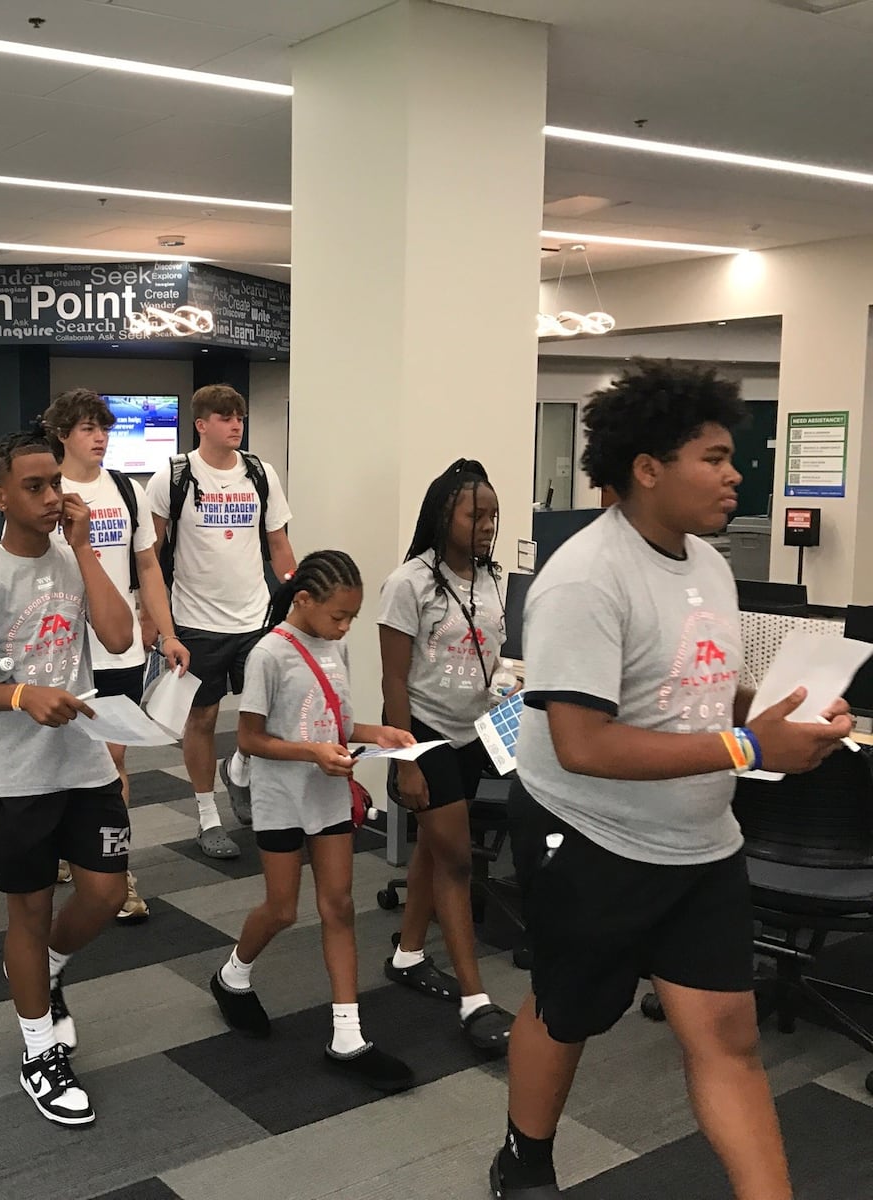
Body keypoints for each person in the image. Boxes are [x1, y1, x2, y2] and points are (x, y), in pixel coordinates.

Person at [490, 359, 852, 1200]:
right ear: (647, 468)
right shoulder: (584, 578)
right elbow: (581, 742)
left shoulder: (708, 565)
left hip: (700, 843)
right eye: (716, 458)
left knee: (727, 1037)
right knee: (566, 1011)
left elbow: (703, 684)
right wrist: (749, 751)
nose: (735, 477)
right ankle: (526, 1160)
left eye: (733, 459)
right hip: (589, 834)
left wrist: (782, 714)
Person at [0, 428, 135, 1127]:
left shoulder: (73, 558)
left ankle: (44, 973)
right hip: (19, 776)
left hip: (84, 762)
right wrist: (21, 696)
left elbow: (116, 637)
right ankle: (37, 1052)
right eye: (35, 486)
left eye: (57, 483)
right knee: (27, 911)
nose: (54, 497)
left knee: (107, 893)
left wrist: (84, 548)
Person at [208, 549, 417, 1093]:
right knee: (281, 909)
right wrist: (313, 754)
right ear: (303, 601)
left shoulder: (334, 648)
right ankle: (232, 974)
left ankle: (347, 1035)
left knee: (339, 905)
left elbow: (340, 722)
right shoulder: (269, 656)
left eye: (352, 617)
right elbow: (250, 740)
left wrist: (378, 734)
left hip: (325, 794)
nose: (346, 627)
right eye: (339, 616)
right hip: (281, 795)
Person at [377, 460, 515, 1053]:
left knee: (438, 846)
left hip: (476, 730)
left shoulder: (493, 577)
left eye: (492, 516)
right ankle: (474, 998)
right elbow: (392, 681)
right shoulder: (407, 583)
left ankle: (408, 955)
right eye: (474, 515)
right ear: (444, 517)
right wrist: (406, 759)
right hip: (426, 733)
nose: (486, 526)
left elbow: (488, 653)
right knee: (458, 860)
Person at [39, 389, 191, 923]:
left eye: (104, 428)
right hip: (58, 649)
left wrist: (167, 634)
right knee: (61, 756)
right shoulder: (46, 493)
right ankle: (64, 847)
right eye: (87, 428)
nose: (100, 437)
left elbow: (148, 568)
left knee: (113, 759)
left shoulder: (126, 491)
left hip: (117, 646)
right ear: (63, 434)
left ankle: (115, 868)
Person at [147, 385, 296, 860]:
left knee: (268, 711)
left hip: (256, 616)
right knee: (204, 717)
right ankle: (207, 815)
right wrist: (152, 617)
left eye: (240, 417)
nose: (236, 425)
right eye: (225, 417)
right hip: (196, 621)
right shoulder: (173, 476)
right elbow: (147, 555)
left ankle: (241, 769)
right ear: (202, 424)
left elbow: (278, 543)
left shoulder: (260, 473)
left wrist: (296, 598)